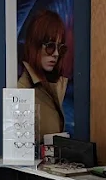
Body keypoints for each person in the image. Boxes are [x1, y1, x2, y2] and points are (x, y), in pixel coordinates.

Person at [17, 9, 68, 140]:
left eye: (61, 48)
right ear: (35, 45)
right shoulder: (22, 90)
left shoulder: (57, 84)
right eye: (50, 46)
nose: (56, 54)